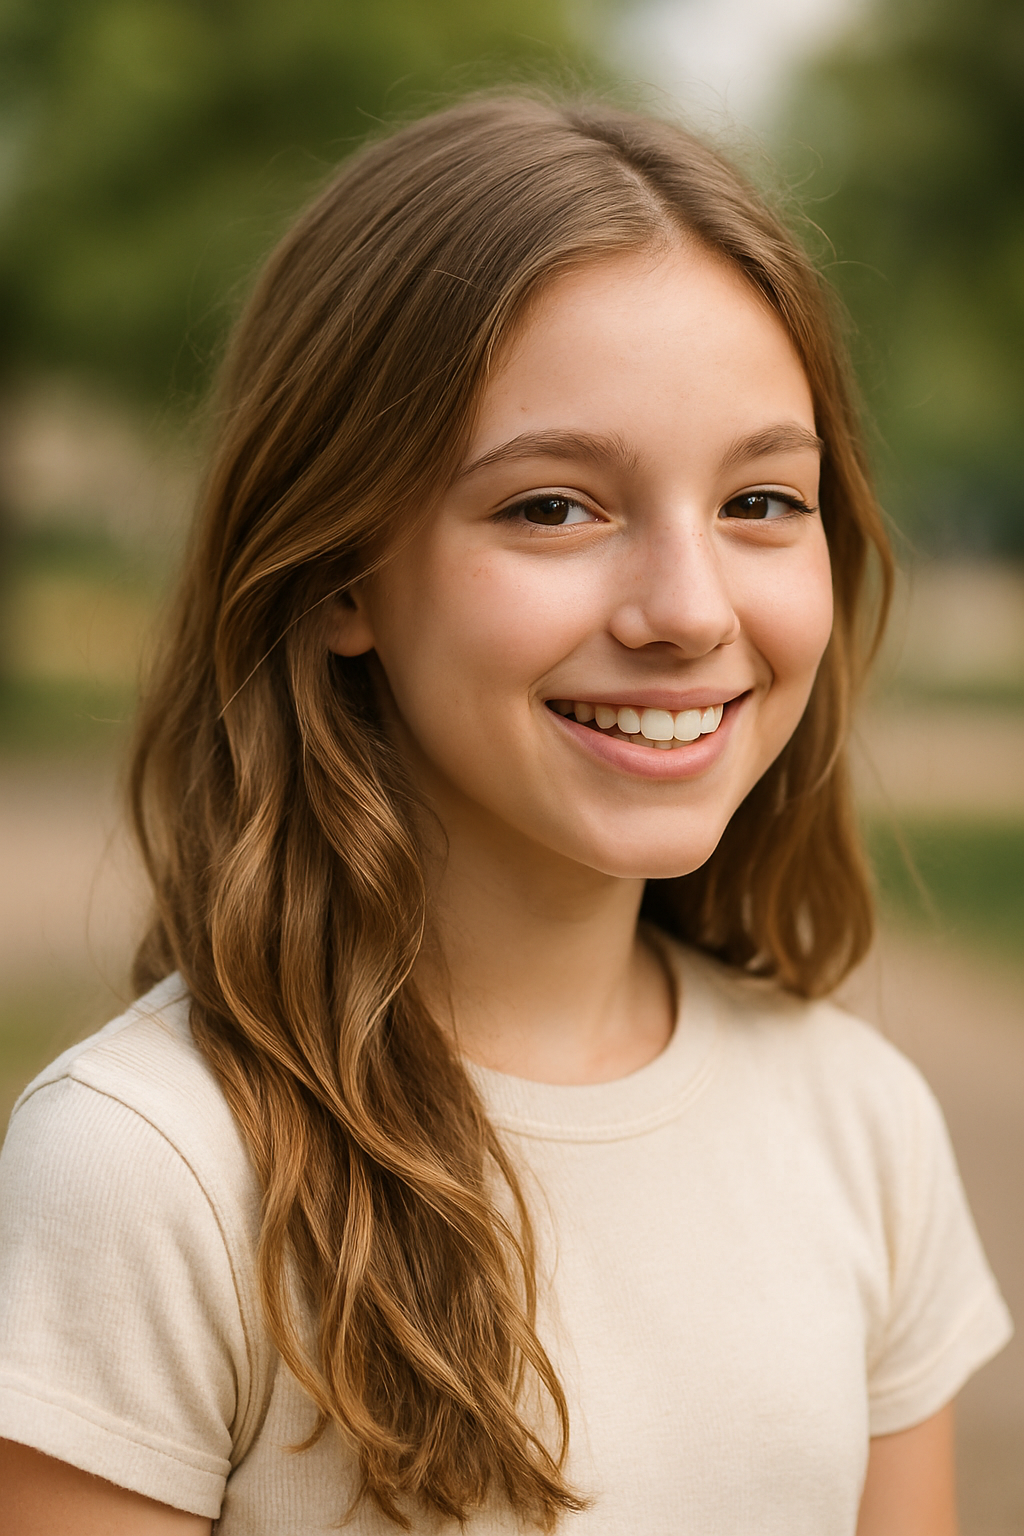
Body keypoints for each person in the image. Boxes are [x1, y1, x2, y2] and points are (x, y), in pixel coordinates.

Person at [0, 95, 1011, 1536]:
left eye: (763, 501)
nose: (687, 609)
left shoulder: (861, 1127)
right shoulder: (148, 1170)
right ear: (341, 575)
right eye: (553, 508)